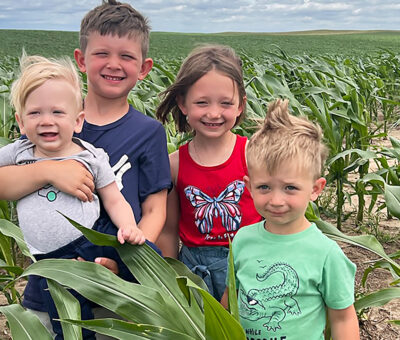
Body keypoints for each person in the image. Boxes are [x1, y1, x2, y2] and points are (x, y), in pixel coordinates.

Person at [0, 1, 171, 338]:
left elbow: (154, 209)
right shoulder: (48, 119)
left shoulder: (148, 132)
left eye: (126, 56)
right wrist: (49, 172)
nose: (113, 64)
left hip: (115, 284)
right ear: (81, 59)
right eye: (101, 53)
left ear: (144, 67)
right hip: (48, 278)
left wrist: (124, 261)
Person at [221, 99, 360, 339]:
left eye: (290, 188)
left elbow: (343, 317)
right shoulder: (242, 239)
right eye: (264, 187)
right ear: (249, 186)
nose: (276, 200)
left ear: (316, 189)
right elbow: (230, 297)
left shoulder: (326, 253)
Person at [156, 44, 262, 302]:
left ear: (240, 106)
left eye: (225, 103)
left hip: (250, 267)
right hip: (195, 272)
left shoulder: (254, 155)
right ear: (182, 103)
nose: (214, 113)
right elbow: (168, 231)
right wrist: (170, 281)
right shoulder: (174, 165)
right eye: (202, 103)